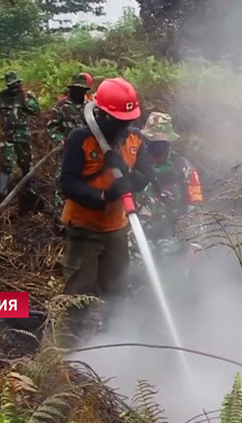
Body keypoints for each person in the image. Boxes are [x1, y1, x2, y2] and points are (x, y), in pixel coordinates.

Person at [58, 77, 155, 330]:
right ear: (101, 115)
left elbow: (145, 176)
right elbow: (67, 183)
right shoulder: (81, 139)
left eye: (128, 122)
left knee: (118, 294)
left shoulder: (136, 141)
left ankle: (116, 344)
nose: (124, 127)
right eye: (118, 122)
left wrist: (127, 177)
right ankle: (63, 354)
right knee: (79, 296)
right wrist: (103, 196)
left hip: (117, 230)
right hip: (84, 229)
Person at [133, 112, 204, 253]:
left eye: (161, 146)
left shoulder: (182, 167)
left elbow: (196, 209)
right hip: (138, 245)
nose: (156, 151)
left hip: (174, 244)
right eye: (152, 145)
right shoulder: (133, 164)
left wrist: (195, 244)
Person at [0, 71, 40, 197]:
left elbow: (36, 110)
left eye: (16, 84)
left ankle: (30, 189)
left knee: (26, 161)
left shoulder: (26, 95)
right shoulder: (2, 96)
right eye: (11, 85)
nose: (13, 87)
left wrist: (24, 99)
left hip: (22, 133)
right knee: (6, 161)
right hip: (7, 134)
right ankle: (3, 192)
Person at [47, 72, 94, 210]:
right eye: (77, 89)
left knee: (85, 181)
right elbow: (51, 127)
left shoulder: (90, 107)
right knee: (62, 183)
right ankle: (60, 218)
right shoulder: (61, 106)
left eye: (82, 90)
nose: (80, 92)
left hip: (86, 152)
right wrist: (60, 139)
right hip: (66, 153)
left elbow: (95, 127)